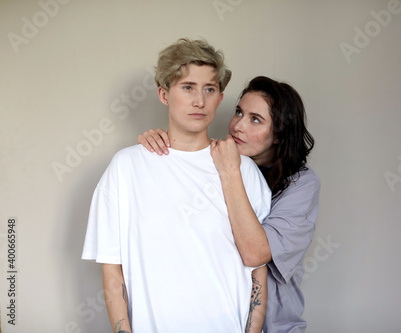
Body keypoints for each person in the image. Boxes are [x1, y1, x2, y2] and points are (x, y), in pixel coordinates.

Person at [82, 38, 271, 333]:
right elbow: (112, 272)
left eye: (209, 89)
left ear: (220, 98)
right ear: (164, 94)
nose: (200, 101)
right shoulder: (126, 168)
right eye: (187, 87)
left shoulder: (242, 169)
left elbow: (258, 270)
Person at [138, 75, 321, 333]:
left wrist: (231, 172)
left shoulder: (301, 184)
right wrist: (162, 144)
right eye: (239, 112)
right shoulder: (216, 159)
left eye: (255, 119)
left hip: (275, 327)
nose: (237, 126)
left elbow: (255, 254)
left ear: (280, 134)